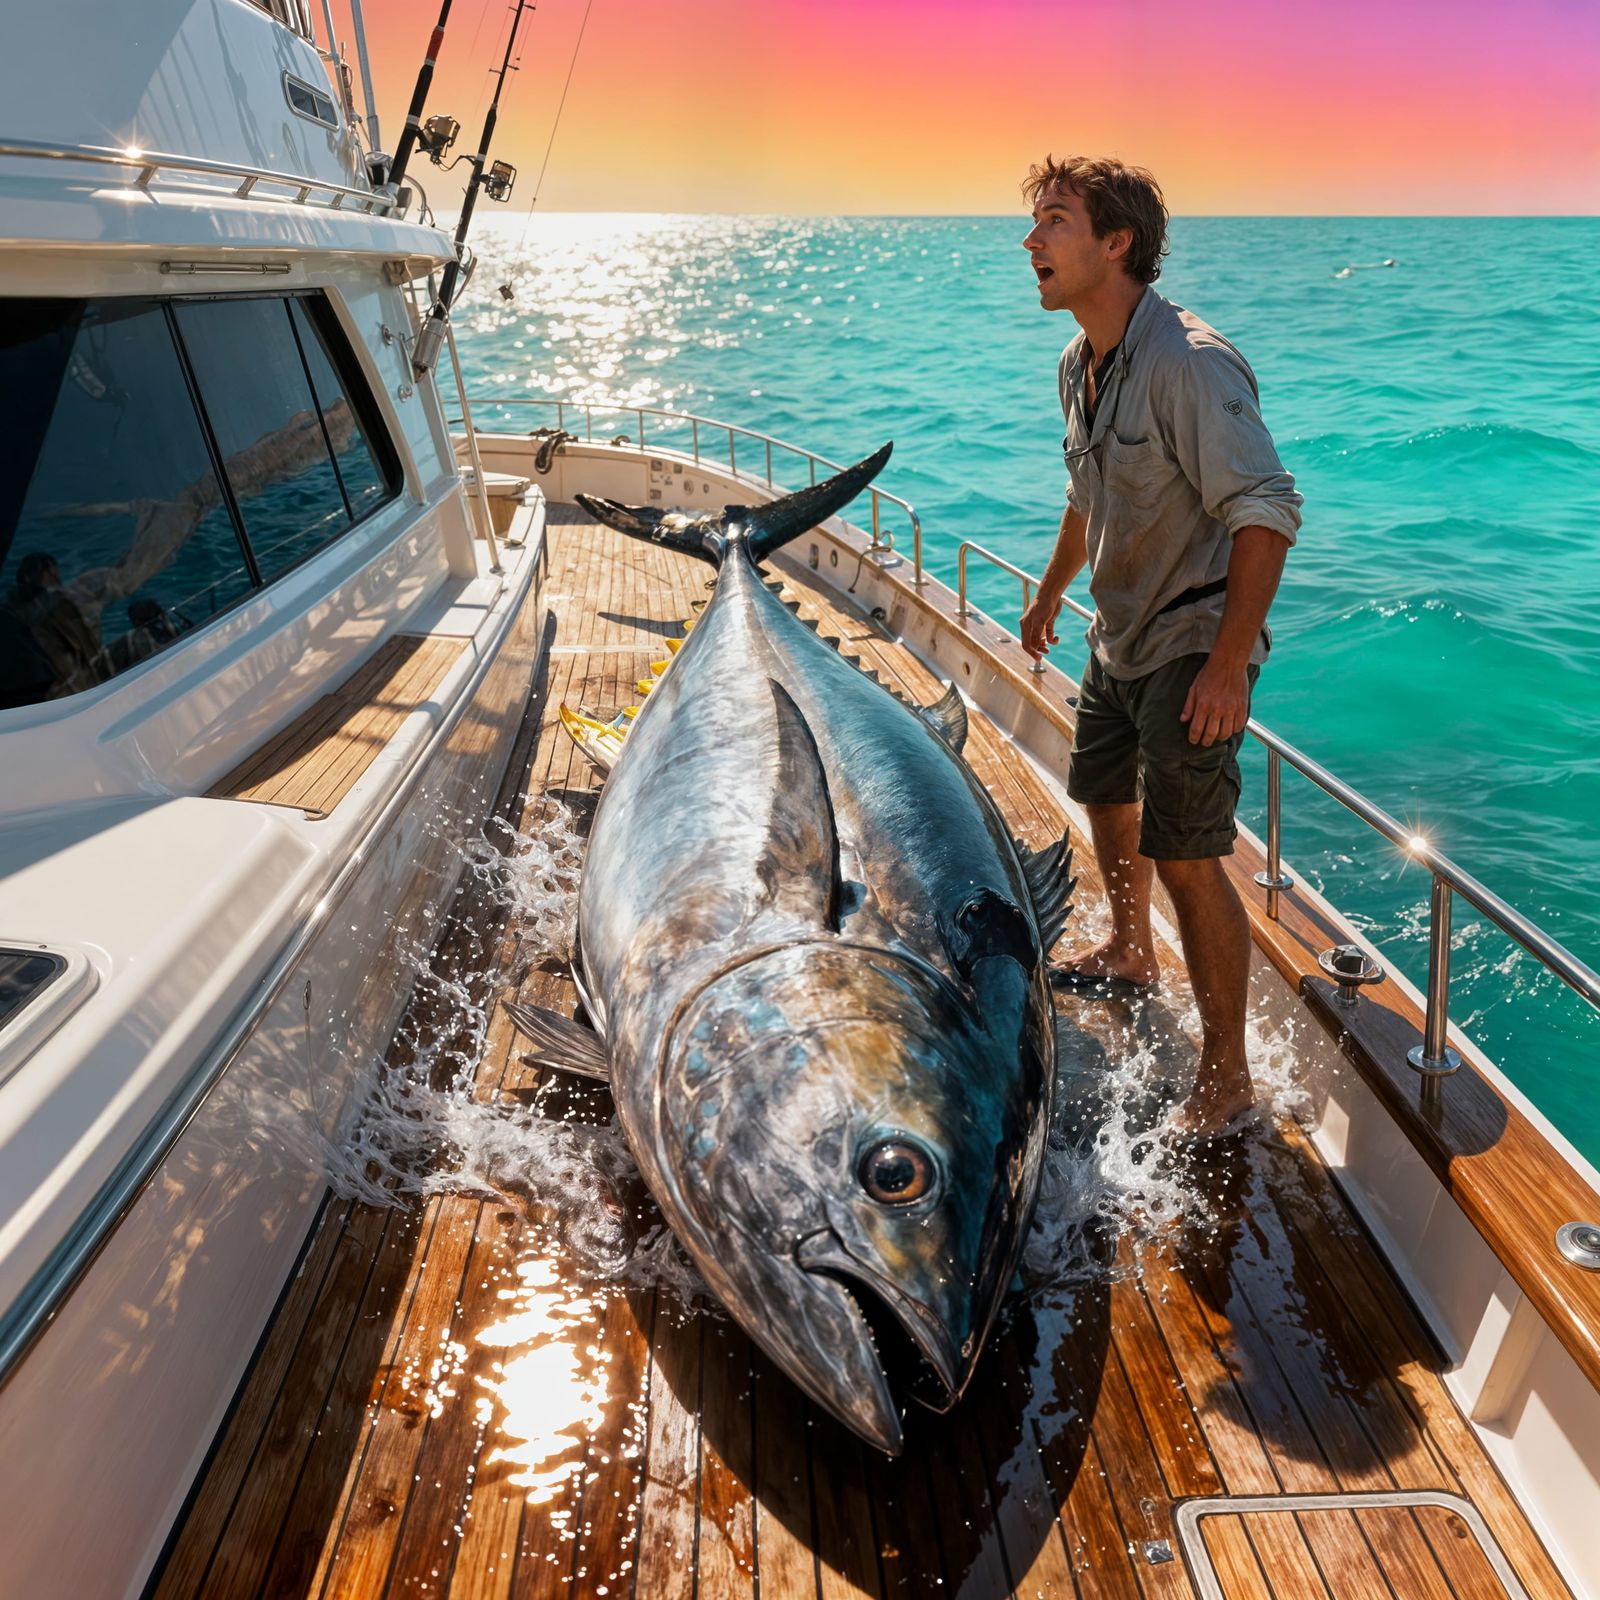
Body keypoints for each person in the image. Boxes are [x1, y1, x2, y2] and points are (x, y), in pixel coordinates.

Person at [1017, 155, 1302, 1138]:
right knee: (1099, 786)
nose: (1031, 241)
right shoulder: (1077, 363)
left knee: (1187, 853)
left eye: (1053, 221)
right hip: (1119, 627)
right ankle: (1131, 949)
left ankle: (1226, 1078)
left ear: (1116, 243)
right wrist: (1051, 591)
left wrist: (1227, 664)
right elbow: (1084, 495)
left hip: (1194, 632)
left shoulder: (1188, 360)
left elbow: (1266, 508)